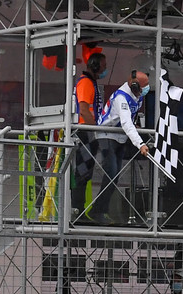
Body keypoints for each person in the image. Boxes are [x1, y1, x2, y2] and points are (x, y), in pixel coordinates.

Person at [91, 68, 150, 225]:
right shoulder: (121, 97)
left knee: (115, 176)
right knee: (111, 172)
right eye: (144, 87)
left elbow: (130, 120)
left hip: (120, 137)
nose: (146, 89)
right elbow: (126, 122)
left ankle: (99, 209)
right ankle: (98, 211)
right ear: (135, 86)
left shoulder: (137, 97)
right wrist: (140, 144)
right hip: (106, 135)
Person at [71, 47, 107, 218]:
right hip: (85, 132)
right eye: (103, 66)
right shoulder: (85, 83)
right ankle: (77, 211)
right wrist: (95, 131)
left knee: (86, 173)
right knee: (82, 172)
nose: (105, 69)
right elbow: (84, 110)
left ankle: (79, 210)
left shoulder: (90, 82)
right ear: (95, 65)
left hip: (88, 131)